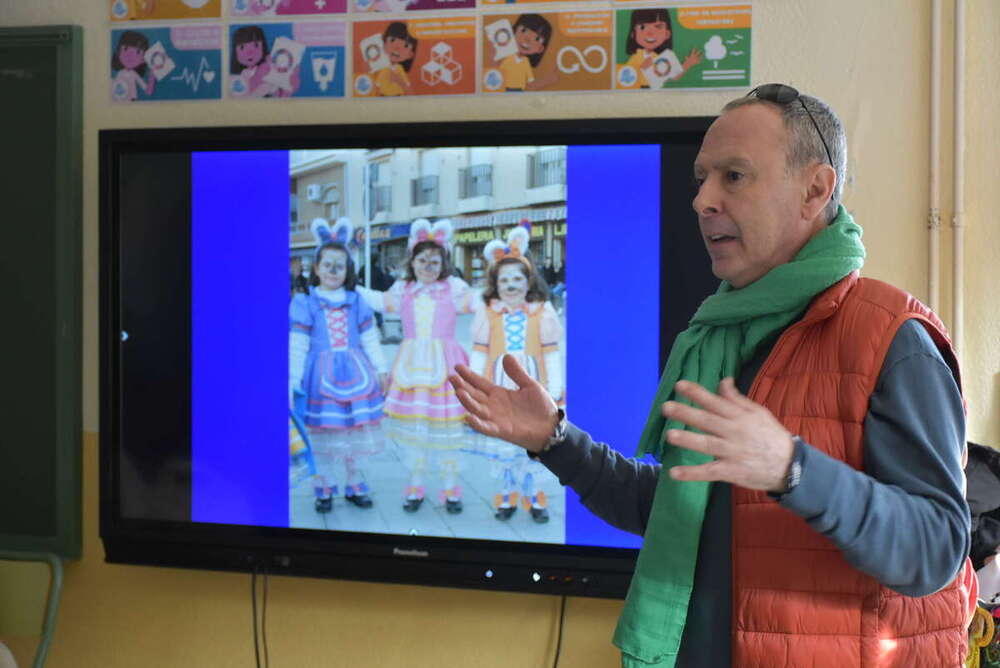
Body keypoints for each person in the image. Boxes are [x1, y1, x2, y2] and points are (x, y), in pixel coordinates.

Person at [451, 84, 973, 667]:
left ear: (816, 189)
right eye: (701, 178)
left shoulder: (891, 337)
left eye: (734, 176)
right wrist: (554, 439)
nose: (703, 199)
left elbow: (936, 551)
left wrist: (791, 468)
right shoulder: (718, 336)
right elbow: (676, 511)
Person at [358, 219, 481, 514]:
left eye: (434, 261)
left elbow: (477, 301)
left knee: (448, 428)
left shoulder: (452, 287)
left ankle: (451, 487)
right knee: (417, 429)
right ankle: (415, 484)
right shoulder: (404, 289)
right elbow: (379, 301)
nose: (428, 266)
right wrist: (352, 287)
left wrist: (505, 287)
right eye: (422, 260)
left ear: (444, 263)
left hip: (447, 366)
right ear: (412, 262)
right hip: (411, 367)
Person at [289, 218, 388, 513]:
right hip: (319, 380)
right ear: (316, 268)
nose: (334, 271)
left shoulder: (356, 301)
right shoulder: (305, 303)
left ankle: (354, 483)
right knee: (324, 436)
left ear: (348, 271)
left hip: (358, 376)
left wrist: (381, 369)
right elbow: (297, 345)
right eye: (328, 265)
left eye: (340, 266)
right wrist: (292, 379)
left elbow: (370, 339)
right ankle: (324, 486)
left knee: (353, 435)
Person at [468, 225, 563, 523]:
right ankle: (507, 495)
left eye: (517, 278)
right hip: (499, 387)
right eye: (504, 279)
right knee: (505, 445)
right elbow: (480, 353)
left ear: (528, 281)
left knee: (535, 442)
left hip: (535, 386)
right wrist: (474, 387)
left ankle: (535, 496)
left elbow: (551, 353)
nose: (511, 285)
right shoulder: (488, 315)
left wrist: (556, 388)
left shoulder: (541, 313)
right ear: (495, 285)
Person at [622, 8, 701, 88]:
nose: (650, 33)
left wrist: (688, 63)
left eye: (658, 27)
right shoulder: (636, 57)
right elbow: (625, 78)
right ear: (633, 34)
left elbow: (675, 76)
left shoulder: (665, 57)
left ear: (667, 34)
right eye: (642, 27)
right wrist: (641, 69)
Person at [494, 14, 558, 92]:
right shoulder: (507, 58)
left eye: (537, 38)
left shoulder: (525, 63)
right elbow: (496, 75)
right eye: (523, 30)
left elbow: (531, 85)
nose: (527, 39)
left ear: (540, 49)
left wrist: (547, 81)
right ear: (513, 32)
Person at [111, 30, 156, 102]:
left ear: (143, 59)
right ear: (118, 51)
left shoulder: (134, 75)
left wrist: (152, 77)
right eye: (125, 48)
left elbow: (148, 91)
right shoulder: (119, 73)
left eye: (138, 52)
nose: (130, 55)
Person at [374, 22, 416, 97]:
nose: (397, 47)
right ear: (383, 43)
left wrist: (399, 81)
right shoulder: (384, 69)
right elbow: (377, 87)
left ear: (410, 54)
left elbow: (409, 90)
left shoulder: (399, 70)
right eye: (392, 40)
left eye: (406, 45)